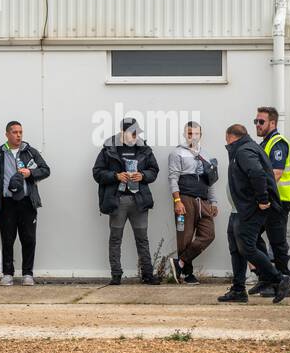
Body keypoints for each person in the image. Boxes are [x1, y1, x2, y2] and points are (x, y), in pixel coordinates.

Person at [217, 124, 290, 304]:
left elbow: (257, 173)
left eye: (226, 139)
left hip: (249, 208)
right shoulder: (245, 148)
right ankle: (238, 289)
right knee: (236, 248)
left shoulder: (244, 150)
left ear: (230, 137)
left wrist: (262, 199)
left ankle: (279, 279)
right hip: (239, 209)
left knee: (247, 248)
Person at [92, 118, 160, 285]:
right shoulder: (108, 149)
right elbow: (97, 173)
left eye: (137, 132)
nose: (135, 136)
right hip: (118, 201)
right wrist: (116, 176)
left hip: (139, 201)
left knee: (142, 238)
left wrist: (142, 176)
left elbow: (154, 170)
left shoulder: (144, 149)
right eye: (132, 132)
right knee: (115, 239)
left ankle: (147, 275)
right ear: (123, 132)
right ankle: (116, 275)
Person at [0, 121, 51, 286]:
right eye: (14, 132)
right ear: (7, 134)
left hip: (27, 202)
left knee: (29, 238)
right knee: (8, 239)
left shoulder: (30, 151)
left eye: (20, 132)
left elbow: (46, 169)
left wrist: (31, 173)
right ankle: (7, 274)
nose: (18, 135)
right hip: (7, 203)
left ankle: (28, 274)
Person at [167, 121, 220, 284]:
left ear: (201, 135)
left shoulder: (206, 155)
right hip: (185, 200)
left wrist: (213, 202)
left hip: (203, 202)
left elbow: (210, 180)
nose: (193, 136)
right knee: (185, 238)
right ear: (185, 134)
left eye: (196, 133)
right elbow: (173, 178)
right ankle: (187, 274)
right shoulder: (177, 153)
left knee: (209, 235)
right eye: (189, 133)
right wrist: (177, 201)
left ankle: (180, 262)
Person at [251, 106, 290, 295]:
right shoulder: (265, 143)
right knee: (250, 238)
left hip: (277, 201)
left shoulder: (278, 143)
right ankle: (268, 278)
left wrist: (260, 195)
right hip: (267, 200)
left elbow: (275, 174)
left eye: (261, 122)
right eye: (256, 121)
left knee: (277, 244)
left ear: (272, 123)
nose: (258, 125)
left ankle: (282, 283)